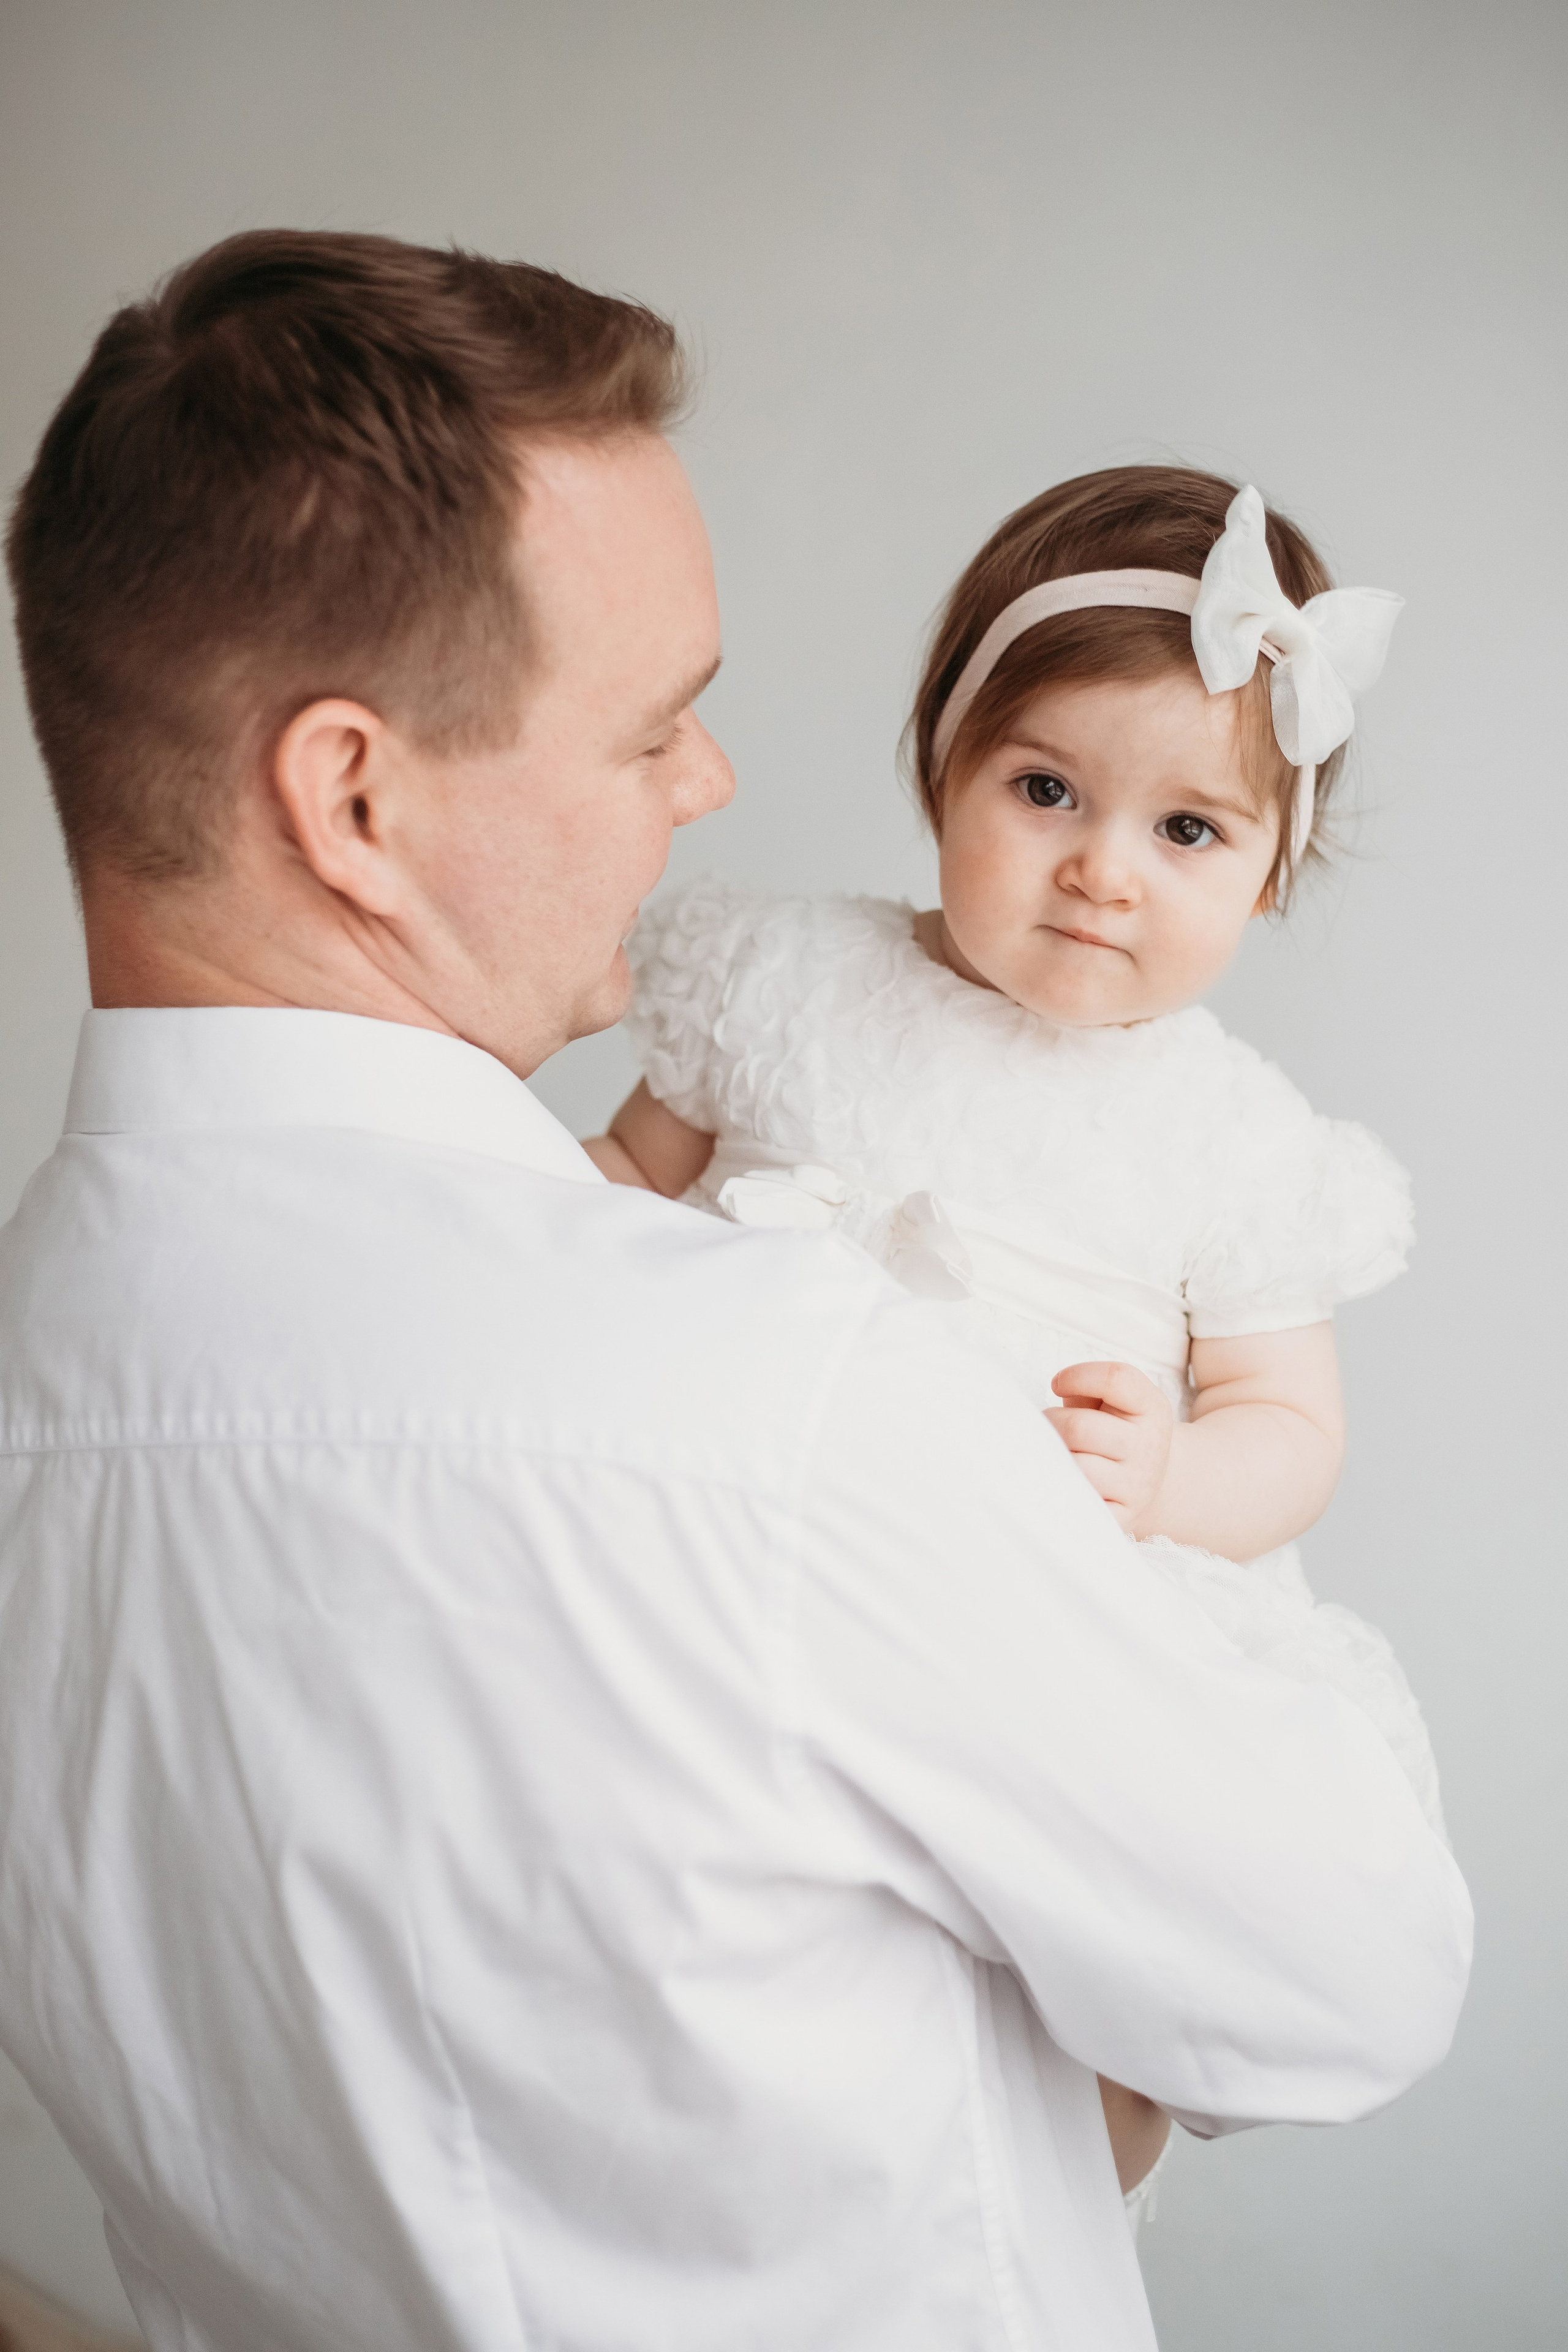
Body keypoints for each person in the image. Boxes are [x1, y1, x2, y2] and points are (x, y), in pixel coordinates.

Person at [0, 232, 1469, 2352]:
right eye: (649, 729)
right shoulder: (787, 1414)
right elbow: (1357, 1975)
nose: (712, 785)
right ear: (353, 800)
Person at [591, 463, 1447, 2214]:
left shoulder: (1234, 1140)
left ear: (1272, 869)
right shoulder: (783, 979)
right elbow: (617, 1183)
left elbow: (1291, 1427)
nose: (1101, 872)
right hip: (742, 1530)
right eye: (1046, 789)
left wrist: (1170, 1477)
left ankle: (1046, 2190)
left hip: (1053, 1606)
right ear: (945, 766)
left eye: (1188, 831)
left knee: (1070, 1981)